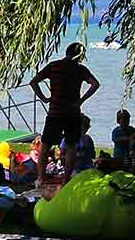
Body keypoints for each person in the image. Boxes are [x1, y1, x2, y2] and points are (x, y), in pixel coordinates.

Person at [30, 43, 100, 182]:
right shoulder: (80, 69)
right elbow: (95, 84)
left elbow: (33, 82)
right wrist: (81, 100)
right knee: (71, 146)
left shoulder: (53, 66)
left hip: (54, 112)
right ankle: (66, 178)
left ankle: (41, 178)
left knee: (46, 145)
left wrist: (44, 98)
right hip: (72, 113)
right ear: (80, 55)